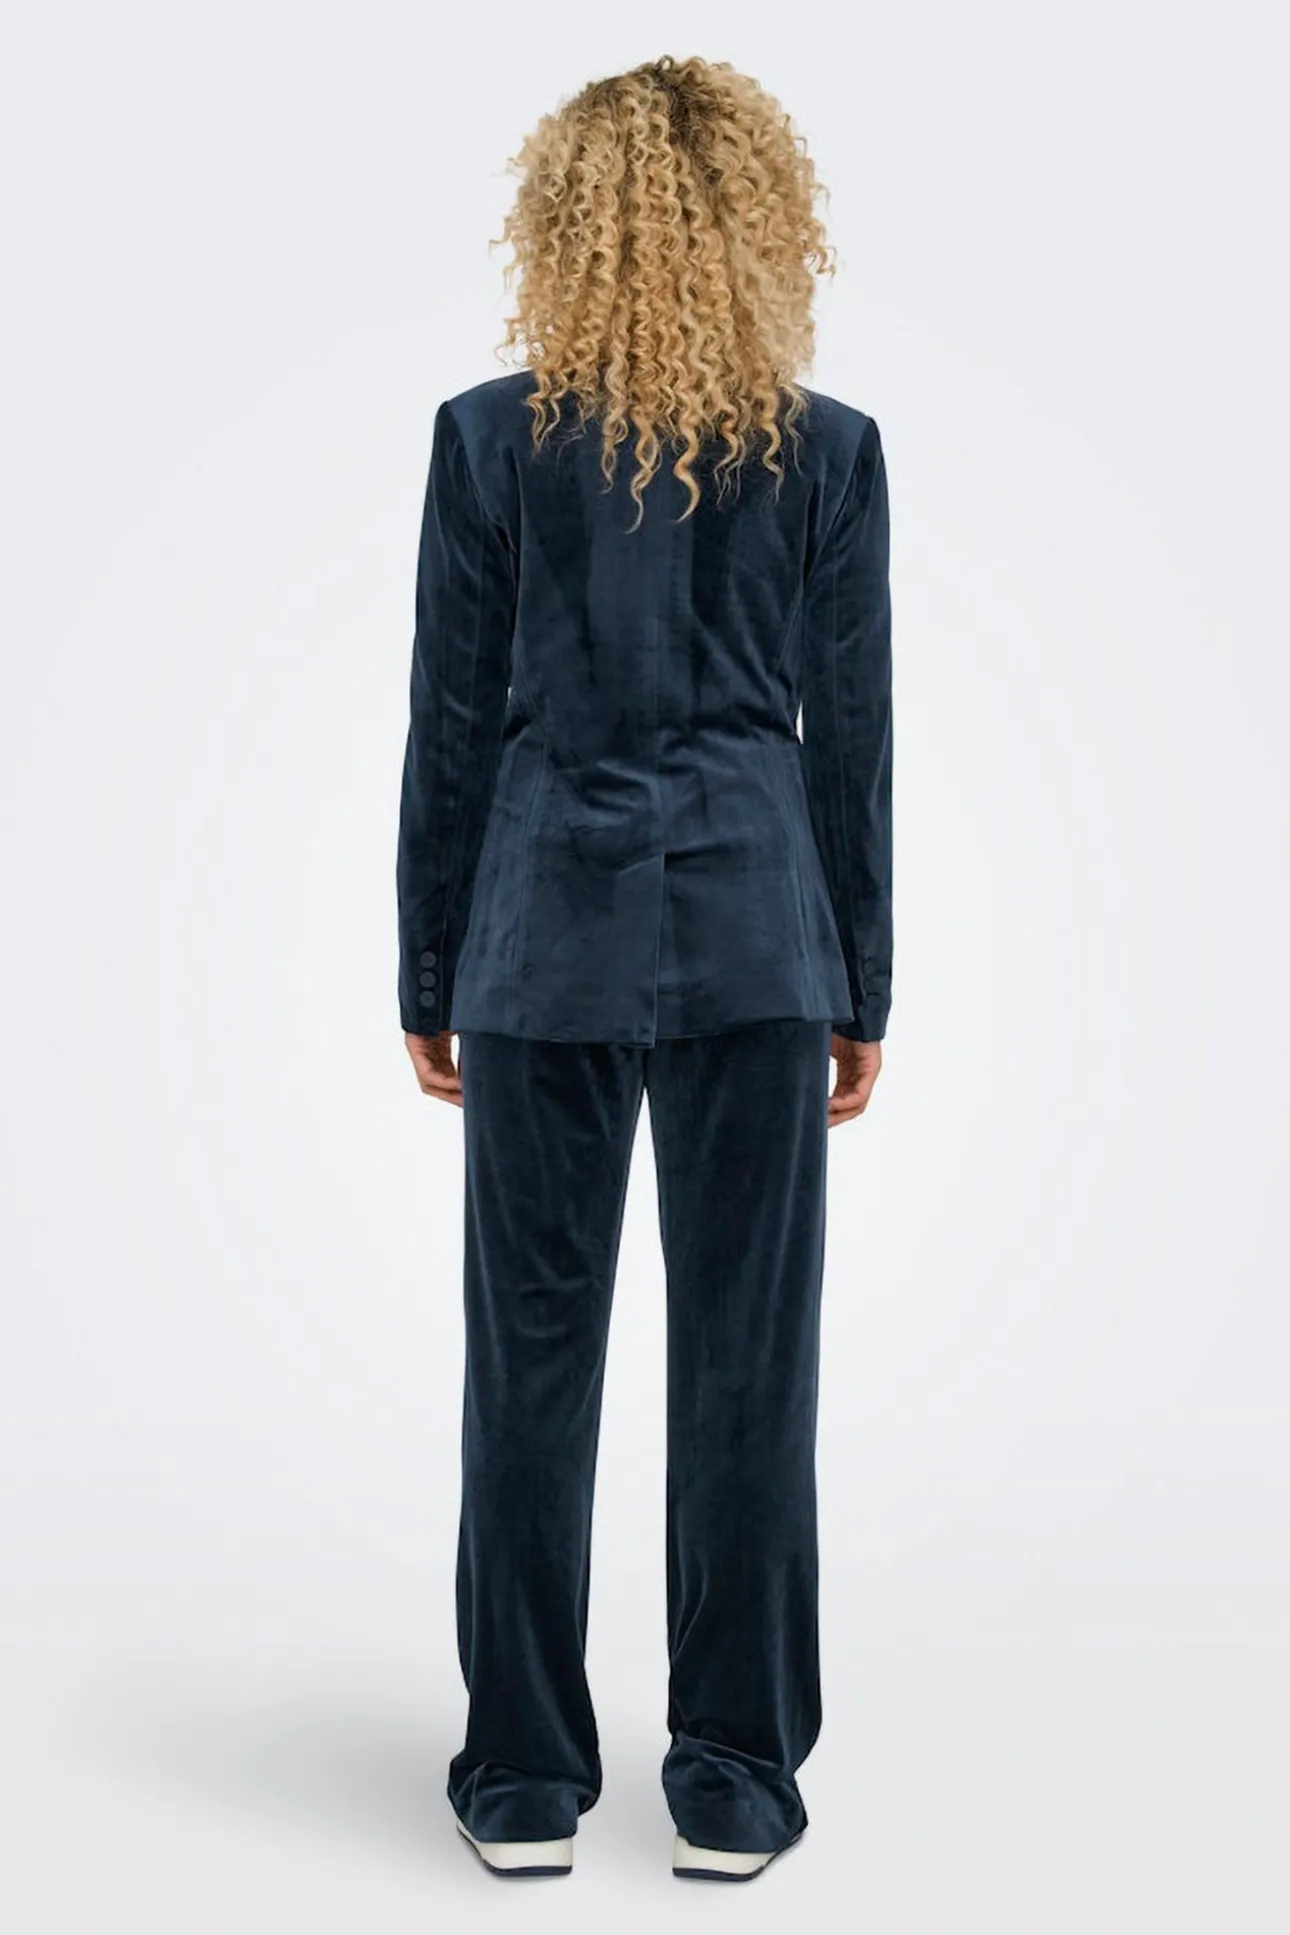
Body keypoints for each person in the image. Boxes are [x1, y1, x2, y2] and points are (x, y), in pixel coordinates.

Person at [395, 54, 892, 1884]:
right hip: (762, 937)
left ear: (563, 223)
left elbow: (452, 730)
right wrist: (862, 982)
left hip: (541, 939)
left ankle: (523, 1773)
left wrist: (428, 967)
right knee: (749, 1365)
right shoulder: (822, 450)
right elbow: (850, 743)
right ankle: (734, 1773)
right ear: (760, 223)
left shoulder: (487, 441)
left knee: (527, 1364)